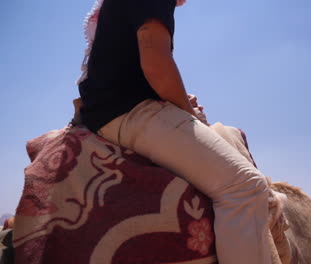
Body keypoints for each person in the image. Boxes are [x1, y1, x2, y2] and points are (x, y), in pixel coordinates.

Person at [77, 0, 277, 263]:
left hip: (110, 110)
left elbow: (133, 68)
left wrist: (182, 100)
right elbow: (156, 65)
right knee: (246, 188)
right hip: (131, 113)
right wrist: (189, 114)